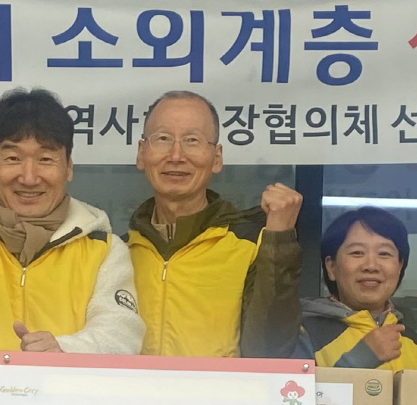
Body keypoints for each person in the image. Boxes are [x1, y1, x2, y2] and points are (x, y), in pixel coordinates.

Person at [0, 87, 143, 358]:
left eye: (45, 159)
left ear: (68, 167)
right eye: (13, 158)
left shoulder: (103, 247)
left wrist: (65, 349)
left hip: (63, 385)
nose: (29, 177)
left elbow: (121, 334)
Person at [124, 90, 302, 357]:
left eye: (192, 140)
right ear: (141, 153)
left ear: (216, 158)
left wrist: (279, 241)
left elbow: (271, 352)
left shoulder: (249, 245)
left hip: (222, 387)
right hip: (133, 387)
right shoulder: (119, 251)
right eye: (163, 139)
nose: (176, 155)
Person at [299, 206, 417, 372]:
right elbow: (292, 388)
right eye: (357, 252)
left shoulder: (414, 341)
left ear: (399, 267)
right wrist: (361, 357)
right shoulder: (304, 333)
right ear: (331, 267)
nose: (371, 266)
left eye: (384, 254)